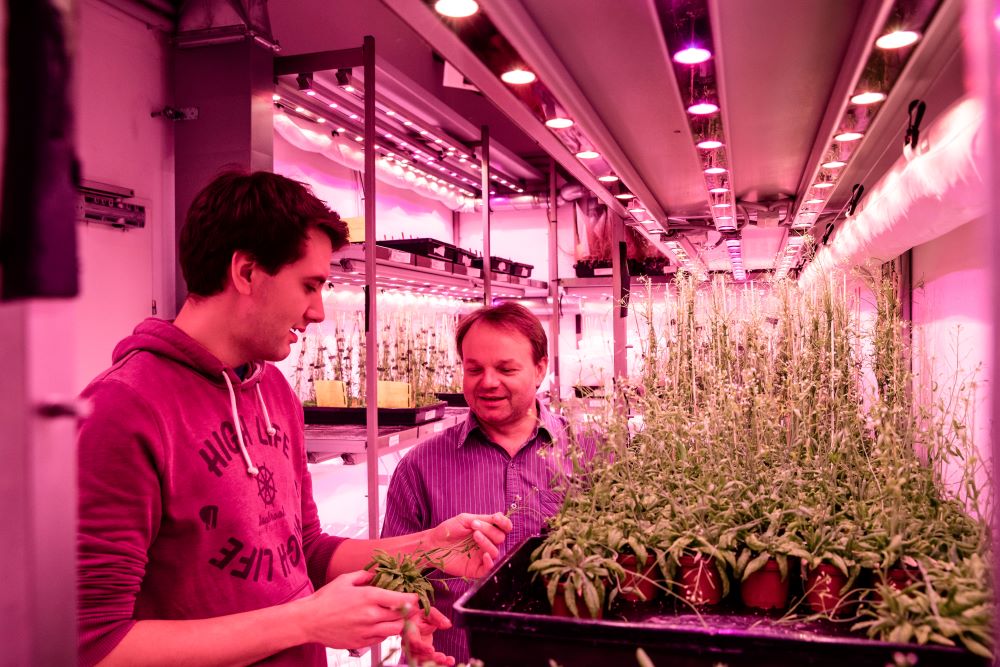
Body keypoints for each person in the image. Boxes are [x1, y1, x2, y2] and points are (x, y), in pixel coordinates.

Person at [76, 170, 512, 667]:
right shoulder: (122, 409)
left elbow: (304, 548)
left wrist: (426, 547)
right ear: (246, 273)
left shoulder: (274, 390)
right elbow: (94, 644)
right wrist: (306, 620)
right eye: (310, 285)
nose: (318, 311)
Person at [382, 302, 596, 662]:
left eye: (506, 368)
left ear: (540, 369)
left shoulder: (594, 453)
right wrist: (407, 620)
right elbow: (393, 576)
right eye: (474, 369)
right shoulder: (421, 466)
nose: (488, 382)